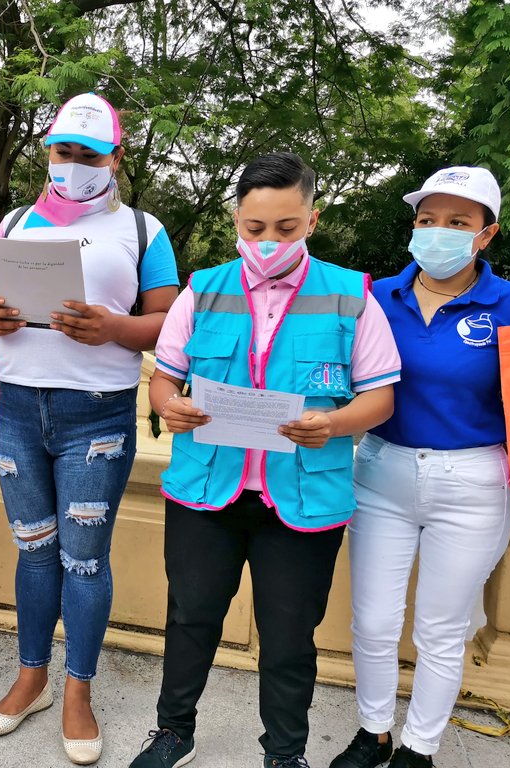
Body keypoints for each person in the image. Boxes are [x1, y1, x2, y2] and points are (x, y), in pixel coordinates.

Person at [130, 152, 402, 768]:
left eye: (286, 227)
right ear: (236, 220)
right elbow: (164, 381)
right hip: (207, 491)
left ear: (312, 218)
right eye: (255, 229)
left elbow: (380, 397)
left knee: (288, 639)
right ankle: (173, 731)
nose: (269, 241)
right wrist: (172, 407)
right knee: (190, 618)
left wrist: (332, 423)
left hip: (303, 498)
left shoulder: (350, 295)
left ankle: (285, 754)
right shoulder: (202, 291)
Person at [0, 92, 180, 765]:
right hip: (19, 408)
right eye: (64, 151)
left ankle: (78, 692)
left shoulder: (143, 230)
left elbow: (173, 325)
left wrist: (114, 328)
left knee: (83, 558)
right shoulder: (17, 219)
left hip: (97, 414)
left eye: (89, 154)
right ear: (49, 152)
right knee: (34, 550)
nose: (74, 164)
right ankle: (31, 678)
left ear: (115, 158)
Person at [327, 167, 510, 768]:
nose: (437, 232)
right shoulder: (376, 298)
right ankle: (373, 732)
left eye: (457, 223)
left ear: (486, 235)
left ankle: (419, 747)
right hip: (381, 472)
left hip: (470, 481)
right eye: (426, 220)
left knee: (441, 631)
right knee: (371, 620)